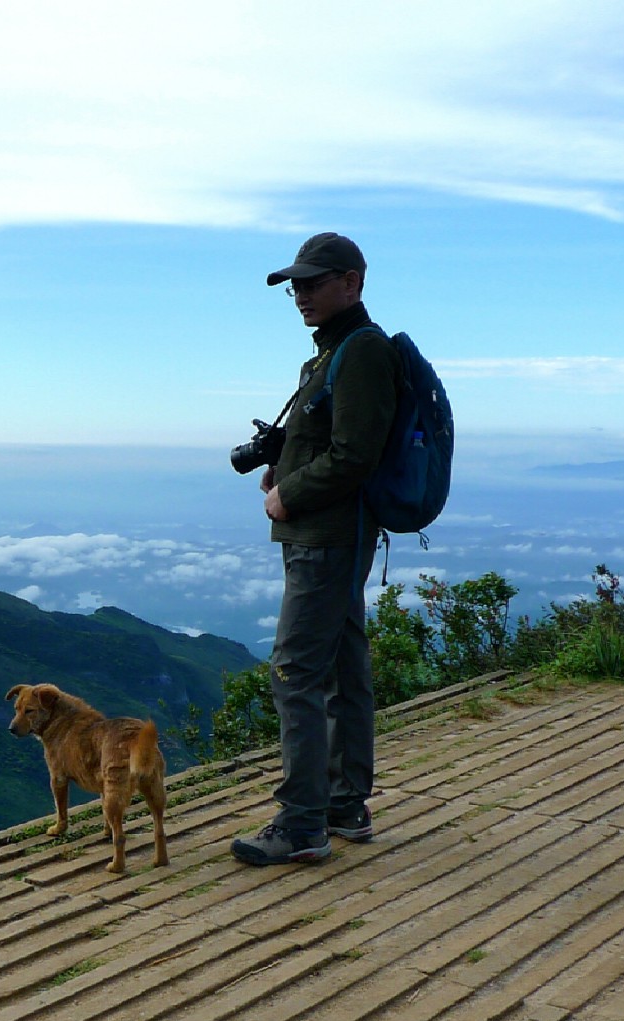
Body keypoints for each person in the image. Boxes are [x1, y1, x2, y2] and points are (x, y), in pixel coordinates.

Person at [232, 232, 399, 866]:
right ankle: (344, 804)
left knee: (295, 671)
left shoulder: (359, 352)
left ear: (352, 281)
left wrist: (288, 495)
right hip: (333, 537)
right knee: (342, 667)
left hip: (325, 540)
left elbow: (356, 454)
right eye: (295, 284)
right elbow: (333, 441)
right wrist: (284, 465)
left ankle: (302, 822)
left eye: (313, 281)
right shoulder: (334, 353)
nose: (300, 293)